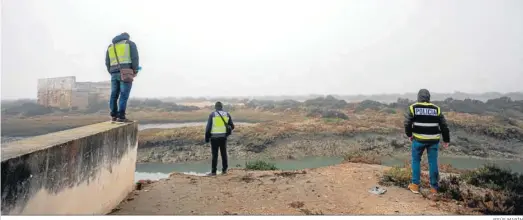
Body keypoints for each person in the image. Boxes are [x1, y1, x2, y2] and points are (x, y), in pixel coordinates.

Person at [404, 89, 450, 194]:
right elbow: (444, 126)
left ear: (418, 97)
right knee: (433, 162)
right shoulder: (437, 109)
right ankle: (434, 188)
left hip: (418, 140)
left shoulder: (413, 108)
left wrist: (409, 135)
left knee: (416, 160)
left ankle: (415, 185)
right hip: (433, 141)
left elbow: (407, 123)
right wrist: (446, 139)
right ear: (429, 98)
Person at [105, 32, 139, 122]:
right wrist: (135, 71)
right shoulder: (129, 44)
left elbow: (107, 62)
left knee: (114, 95)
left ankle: (114, 116)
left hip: (113, 73)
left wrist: (112, 71)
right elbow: (135, 58)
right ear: (127, 37)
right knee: (124, 95)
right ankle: (121, 116)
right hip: (126, 72)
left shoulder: (111, 47)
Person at [205, 102, 235, 176]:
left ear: (215, 107)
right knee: (224, 154)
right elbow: (232, 126)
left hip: (214, 138)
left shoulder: (212, 115)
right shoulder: (227, 114)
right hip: (223, 137)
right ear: (222, 107)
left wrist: (207, 138)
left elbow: (208, 128)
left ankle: (213, 172)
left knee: (215, 155)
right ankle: (224, 171)